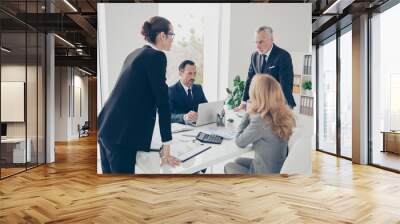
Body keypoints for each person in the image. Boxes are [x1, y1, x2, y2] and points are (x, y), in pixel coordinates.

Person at [97, 16, 180, 174]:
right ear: (162, 35)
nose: (172, 39)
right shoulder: (157, 57)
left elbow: (138, 100)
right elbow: (163, 104)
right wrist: (167, 147)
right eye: (172, 35)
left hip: (107, 127)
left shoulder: (136, 53)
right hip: (121, 137)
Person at [225, 75, 296, 174]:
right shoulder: (282, 115)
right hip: (277, 170)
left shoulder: (261, 120)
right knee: (238, 161)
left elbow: (239, 142)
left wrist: (248, 112)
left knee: (228, 166)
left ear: (257, 94)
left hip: (263, 176)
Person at [235, 26, 296, 111]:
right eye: (256, 42)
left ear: (271, 39)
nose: (257, 46)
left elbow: (285, 86)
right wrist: (244, 102)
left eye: (261, 42)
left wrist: (282, 110)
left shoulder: (283, 56)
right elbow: (250, 80)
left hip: (280, 105)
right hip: (261, 106)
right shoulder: (254, 56)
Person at [168, 60, 208, 124]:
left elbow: (205, 107)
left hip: (198, 126)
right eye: (189, 73)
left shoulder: (198, 88)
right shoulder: (170, 91)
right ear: (181, 73)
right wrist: (184, 117)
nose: (193, 77)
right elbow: (167, 116)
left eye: (194, 73)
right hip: (181, 130)